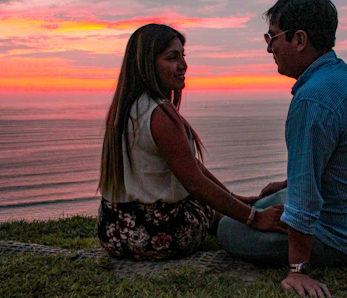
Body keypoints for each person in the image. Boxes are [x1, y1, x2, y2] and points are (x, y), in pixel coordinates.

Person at [218, 0, 347, 298]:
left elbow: (305, 197)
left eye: (273, 38)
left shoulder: (312, 100)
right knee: (267, 200)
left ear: (299, 39)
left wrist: (298, 269)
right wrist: (288, 182)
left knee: (228, 229)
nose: (269, 49)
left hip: (341, 238)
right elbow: (345, 157)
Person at [97, 24, 286, 261]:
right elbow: (195, 183)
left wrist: (233, 197)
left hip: (113, 231)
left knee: (212, 201)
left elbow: (190, 164)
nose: (183, 65)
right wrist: (253, 217)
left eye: (182, 56)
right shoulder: (160, 113)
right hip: (156, 235)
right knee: (205, 204)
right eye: (172, 58)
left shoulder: (126, 109)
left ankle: (237, 210)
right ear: (148, 64)